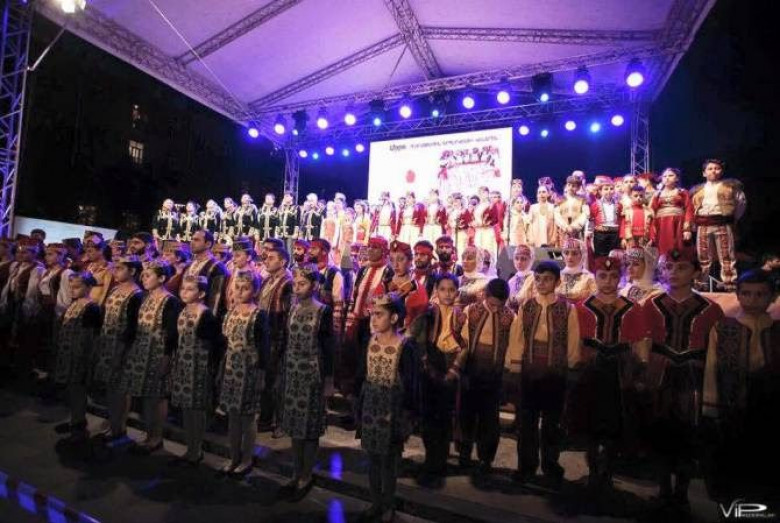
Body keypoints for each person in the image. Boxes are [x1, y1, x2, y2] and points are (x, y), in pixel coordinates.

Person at [643, 246, 724, 509]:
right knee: (660, 433)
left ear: (696, 272)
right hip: (659, 377)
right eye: (668, 267)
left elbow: (717, 351)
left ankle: (682, 494)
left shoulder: (711, 309)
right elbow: (642, 345)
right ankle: (663, 490)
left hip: (692, 378)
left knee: (688, 437)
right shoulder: (651, 304)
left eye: (682, 268)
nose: (674, 272)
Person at [569, 257, 647, 493]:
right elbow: (576, 342)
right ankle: (594, 472)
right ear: (595, 277)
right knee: (591, 425)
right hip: (591, 372)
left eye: (613, 276)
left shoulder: (633, 308)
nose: (608, 281)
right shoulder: (581, 307)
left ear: (620, 278)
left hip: (619, 373)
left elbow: (638, 344)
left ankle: (608, 473)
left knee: (615, 426)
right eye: (602, 276)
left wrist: (638, 375)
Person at [702, 270, 780, 499]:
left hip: (770, 408)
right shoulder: (723, 328)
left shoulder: (776, 330)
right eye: (746, 294)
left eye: (760, 294)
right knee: (732, 462)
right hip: (732, 406)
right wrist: (710, 406)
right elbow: (711, 366)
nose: (752, 300)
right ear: (737, 295)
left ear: (773, 297)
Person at [505, 261, 580, 486]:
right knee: (526, 421)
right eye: (537, 279)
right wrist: (515, 365)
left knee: (551, 422)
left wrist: (572, 365)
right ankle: (525, 466)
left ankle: (550, 466)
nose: (541, 283)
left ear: (557, 282)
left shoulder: (567, 309)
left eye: (547, 279)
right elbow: (517, 337)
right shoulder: (526, 306)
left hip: (555, 372)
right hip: (529, 371)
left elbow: (573, 338)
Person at [356, 293, 419, 523]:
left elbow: (412, 384)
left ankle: (388, 504)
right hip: (370, 408)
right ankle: (375, 502)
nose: (374, 319)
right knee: (373, 459)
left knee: (389, 462)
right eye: (372, 314)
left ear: (394, 318)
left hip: (393, 412)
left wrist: (409, 415)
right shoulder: (369, 341)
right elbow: (362, 374)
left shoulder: (405, 346)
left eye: (379, 314)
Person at [278, 264, 334, 501]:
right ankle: (295, 471)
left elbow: (329, 348)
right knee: (294, 424)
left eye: (302, 284)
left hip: (312, 374)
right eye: (295, 284)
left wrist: (328, 380)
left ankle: (306, 474)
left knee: (309, 427)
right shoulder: (292, 308)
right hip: (292, 371)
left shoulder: (323, 311)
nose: (297, 288)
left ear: (314, 286)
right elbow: (286, 340)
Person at [450, 278, 514, 474]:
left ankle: (486, 458)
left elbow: (512, 346)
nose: (495, 309)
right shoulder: (471, 311)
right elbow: (461, 339)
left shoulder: (510, 317)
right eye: (492, 304)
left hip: (494, 375)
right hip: (471, 371)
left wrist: (507, 371)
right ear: (485, 296)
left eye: (499, 305)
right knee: (466, 415)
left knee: (489, 419)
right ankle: (464, 454)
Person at [119, 260, 182, 454]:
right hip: (140, 352)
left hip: (158, 353)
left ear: (161, 278)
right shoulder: (143, 297)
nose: (143, 278)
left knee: (157, 396)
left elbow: (172, 333)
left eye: (148, 275)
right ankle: (148, 434)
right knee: (146, 396)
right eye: (143, 275)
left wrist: (166, 358)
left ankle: (157, 437)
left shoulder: (170, 301)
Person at [409, 274, 465, 486]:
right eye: (443, 289)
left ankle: (440, 461)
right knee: (429, 416)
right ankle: (431, 459)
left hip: (451, 366)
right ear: (436, 291)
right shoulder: (428, 314)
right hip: (430, 365)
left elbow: (466, 345)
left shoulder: (462, 316)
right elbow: (416, 339)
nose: (447, 294)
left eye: (451, 290)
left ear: (457, 292)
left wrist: (454, 369)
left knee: (445, 417)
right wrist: (426, 365)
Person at [217, 270, 270, 476]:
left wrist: (262, 375)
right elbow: (225, 343)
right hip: (231, 369)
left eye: (245, 288)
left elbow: (263, 348)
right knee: (232, 416)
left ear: (254, 291)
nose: (239, 292)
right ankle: (233, 456)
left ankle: (247, 458)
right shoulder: (230, 312)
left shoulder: (258, 315)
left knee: (247, 418)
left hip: (250, 371)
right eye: (237, 288)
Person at [170, 275, 222, 466]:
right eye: (183, 288)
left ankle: (196, 450)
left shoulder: (205, 315)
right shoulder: (182, 310)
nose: (184, 292)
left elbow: (215, 345)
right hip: (183, 363)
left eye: (190, 289)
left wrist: (211, 369)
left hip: (199, 366)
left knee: (197, 409)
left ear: (201, 294)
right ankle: (189, 448)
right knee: (186, 408)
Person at [92, 255, 143, 442]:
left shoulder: (136, 295)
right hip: (108, 342)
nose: (115, 271)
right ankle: (112, 422)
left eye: (120, 268)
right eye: (115, 267)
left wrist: (121, 350)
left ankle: (119, 427)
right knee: (111, 386)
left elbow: (132, 327)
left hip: (122, 347)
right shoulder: (114, 289)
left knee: (121, 387)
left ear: (132, 271)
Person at [54, 271, 102, 442]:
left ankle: (79, 424)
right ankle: (74, 419)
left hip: (80, 356)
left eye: (77, 287)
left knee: (78, 390)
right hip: (68, 353)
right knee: (71, 388)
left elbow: (92, 336)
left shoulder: (91, 307)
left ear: (88, 287)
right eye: (71, 287)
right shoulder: (74, 303)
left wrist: (87, 358)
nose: (72, 290)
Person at [342, 237, 393, 397]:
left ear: (383, 251)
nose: (370, 250)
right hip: (357, 319)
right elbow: (355, 294)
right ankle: (351, 395)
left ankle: (362, 397)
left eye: (375, 247)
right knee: (353, 357)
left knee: (367, 360)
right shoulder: (363, 270)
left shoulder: (388, 272)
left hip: (374, 323)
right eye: (369, 246)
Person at [690, 159, 746, 289]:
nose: (713, 171)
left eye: (717, 168)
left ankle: (729, 282)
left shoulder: (730, 187)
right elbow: (692, 207)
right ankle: (702, 283)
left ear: (721, 171)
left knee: (727, 254)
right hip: (703, 224)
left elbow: (741, 203)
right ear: (704, 173)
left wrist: (733, 218)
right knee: (703, 255)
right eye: (710, 168)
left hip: (722, 223)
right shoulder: (697, 190)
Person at [257, 246, 293, 438]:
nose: (266, 260)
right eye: (266, 257)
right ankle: (265, 418)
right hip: (265, 335)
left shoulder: (288, 283)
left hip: (278, 337)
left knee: (277, 382)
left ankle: (280, 422)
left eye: (271, 258)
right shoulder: (267, 280)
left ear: (283, 261)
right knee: (266, 380)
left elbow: (288, 315)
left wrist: (282, 341)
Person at [378, 241, 428, 329]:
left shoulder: (417, 289)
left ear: (410, 261)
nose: (395, 265)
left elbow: (420, 322)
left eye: (400, 259)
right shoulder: (383, 284)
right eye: (392, 260)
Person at [184, 230, 228, 319]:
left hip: (203, 317)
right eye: (192, 239)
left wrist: (208, 320)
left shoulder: (217, 267)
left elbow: (216, 298)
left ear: (208, 244)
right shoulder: (189, 265)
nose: (192, 242)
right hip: (186, 314)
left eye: (196, 240)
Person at [650, 168, 693, 254]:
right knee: (663, 246)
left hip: (678, 223)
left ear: (677, 178)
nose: (667, 178)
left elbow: (689, 209)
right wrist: (652, 230)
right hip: (661, 224)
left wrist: (687, 229)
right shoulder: (657, 194)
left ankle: (675, 261)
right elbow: (652, 211)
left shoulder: (682, 192)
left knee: (676, 247)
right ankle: (664, 261)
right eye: (664, 176)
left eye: (670, 175)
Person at [309, 239, 345, 339]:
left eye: (314, 248)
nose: (310, 251)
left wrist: (335, 331)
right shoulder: (307, 270)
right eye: (310, 248)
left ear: (324, 252)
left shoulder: (334, 273)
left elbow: (338, 304)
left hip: (323, 326)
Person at [589, 176, 623, 258]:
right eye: (606, 189)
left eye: (611, 189)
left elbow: (620, 219)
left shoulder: (618, 205)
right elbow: (591, 219)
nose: (609, 191)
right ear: (600, 191)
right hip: (600, 234)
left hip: (614, 234)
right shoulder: (595, 205)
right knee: (600, 256)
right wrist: (590, 232)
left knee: (614, 255)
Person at [555, 175, 590, 245]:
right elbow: (557, 215)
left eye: (573, 186)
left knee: (576, 248)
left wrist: (574, 226)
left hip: (577, 231)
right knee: (563, 248)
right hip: (563, 231)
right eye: (569, 185)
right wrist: (565, 226)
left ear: (578, 188)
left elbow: (585, 214)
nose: (570, 188)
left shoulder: (582, 200)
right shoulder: (559, 200)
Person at [83, 237, 113, 308]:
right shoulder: (90, 265)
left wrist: (99, 308)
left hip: (97, 305)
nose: (87, 254)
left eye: (90, 251)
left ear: (100, 251)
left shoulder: (109, 267)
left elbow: (106, 291)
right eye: (86, 251)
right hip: (86, 304)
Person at [621, 185, 654, 249]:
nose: (638, 198)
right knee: (631, 254)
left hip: (644, 238)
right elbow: (623, 225)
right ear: (631, 196)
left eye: (641, 196)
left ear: (644, 197)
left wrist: (652, 239)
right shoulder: (627, 210)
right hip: (630, 238)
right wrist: (623, 238)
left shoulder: (648, 211)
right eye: (636, 196)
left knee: (643, 254)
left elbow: (651, 226)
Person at [507, 244, 535, 311]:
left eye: (523, 259)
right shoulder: (511, 281)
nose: (519, 262)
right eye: (516, 258)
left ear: (531, 260)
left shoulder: (535, 278)